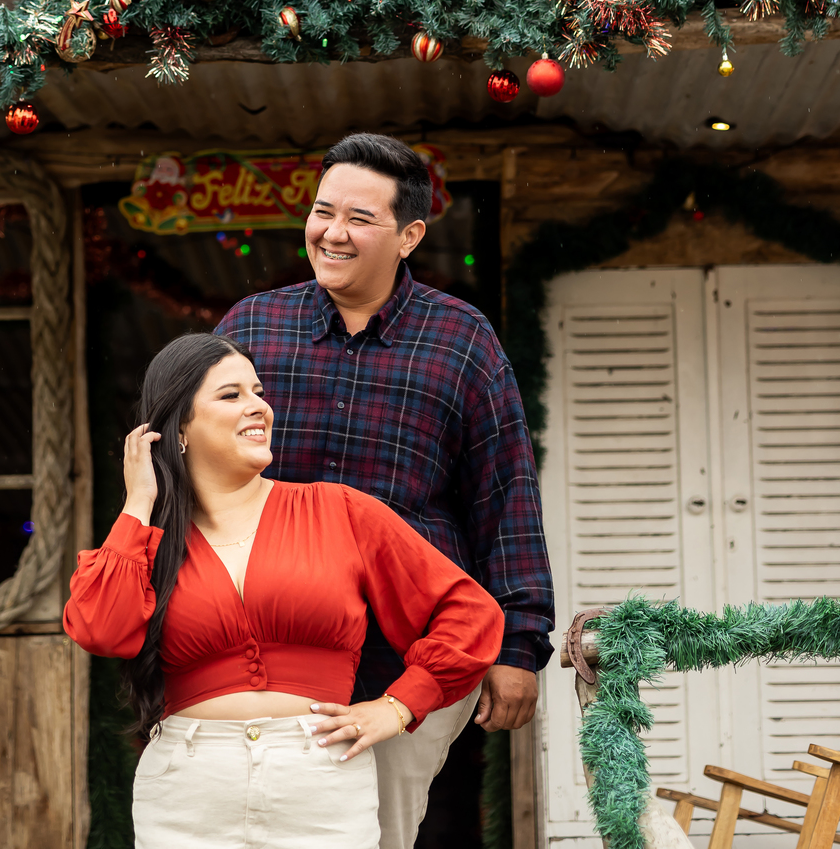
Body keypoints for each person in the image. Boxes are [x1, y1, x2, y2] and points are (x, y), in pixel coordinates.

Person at [217, 132, 554, 849]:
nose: (332, 233)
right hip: (267, 646)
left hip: (408, 655)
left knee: (375, 834)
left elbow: (505, 497)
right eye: (322, 211)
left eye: (360, 219)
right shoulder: (251, 329)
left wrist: (518, 647)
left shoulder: (462, 339)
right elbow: (192, 475)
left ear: (409, 236)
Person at [65, 333, 503, 849]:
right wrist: (139, 502)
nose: (259, 407)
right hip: (188, 789)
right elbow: (99, 629)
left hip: (320, 780)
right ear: (178, 425)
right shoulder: (148, 541)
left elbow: (469, 612)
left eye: (258, 391)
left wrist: (398, 706)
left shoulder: (338, 511)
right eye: (231, 396)